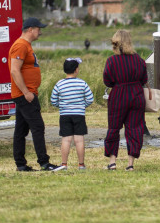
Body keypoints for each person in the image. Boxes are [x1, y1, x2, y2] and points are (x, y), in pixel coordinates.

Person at [9, 17, 61, 172]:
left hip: (26, 93)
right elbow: (14, 70)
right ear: (30, 29)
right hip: (25, 95)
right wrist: (26, 92)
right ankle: (44, 163)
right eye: (39, 29)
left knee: (21, 130)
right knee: (38, 127)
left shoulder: (26, 45)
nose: (40, 32)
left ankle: (21, 164)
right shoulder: (20, 45)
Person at [103, 29, 149, 170]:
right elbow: (144, 79)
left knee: (114, 128)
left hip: (118, 95)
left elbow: (107, 81)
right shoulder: (139, 60)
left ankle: (112, 162)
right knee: (135, 129)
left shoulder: (111, 61)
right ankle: (130, 164)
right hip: (136, 95)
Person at [50, 57, 95, 170]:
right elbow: (90, 99)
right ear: (76, 70)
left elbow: (53, 100)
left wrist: (62, 107)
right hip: (79, 115)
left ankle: (64, 164)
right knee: (79, 140)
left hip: (64, 115)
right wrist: (81, 106)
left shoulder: (59, 84)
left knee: (66, 140)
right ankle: (81, 165)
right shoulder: (82, 83)